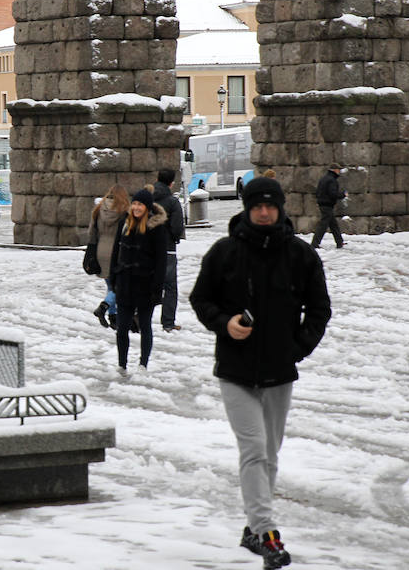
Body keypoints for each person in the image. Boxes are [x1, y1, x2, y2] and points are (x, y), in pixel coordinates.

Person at [189, 177, 331, 570]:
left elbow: (319, 309)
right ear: (246, 209)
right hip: (235, 372)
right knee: (254, 450)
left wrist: (297, 348)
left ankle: (252, 529)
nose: (264, 212)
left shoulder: (301, 256)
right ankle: (268, 534)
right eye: (256, 206)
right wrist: (225, 322)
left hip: (279, 372)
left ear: (280, 207)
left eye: (270, 206)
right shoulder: (225, 253)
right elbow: (201, 299)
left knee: (269, 455)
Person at [108, 188, 167, 372]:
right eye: (134, 203)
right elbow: (115, 253)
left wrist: (157, 288)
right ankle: (122, 364)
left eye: (140, 204)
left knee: (144, 325)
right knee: (122, 326)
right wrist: (113, 277)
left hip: (145, 285)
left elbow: (161, 261)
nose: (136, 207)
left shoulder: (156, 228)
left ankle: (143, 364)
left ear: (147, 207)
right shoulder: (124, 224)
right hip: (125, 283)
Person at [88, 185, 131, 330]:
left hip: (101, 250)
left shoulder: (99, 208)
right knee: (118, 287)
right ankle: (103, 307)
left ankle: (113, 318)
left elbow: (91, 232)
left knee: (111, 285)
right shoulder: (124, 210)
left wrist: (92, 250)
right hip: (116, 252)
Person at [152, 169, 184, 332]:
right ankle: (168, 322)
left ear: (157, 179)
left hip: (148, 249)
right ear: (171, 183)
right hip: (167, 249)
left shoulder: (147, 198)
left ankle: (139, 315)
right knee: (170, 287)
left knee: (147, 283)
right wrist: (172, 236)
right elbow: (177, 227)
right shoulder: (172, 202)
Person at [310, 163, 347, 249]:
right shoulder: (331, 180)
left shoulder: (324, 178)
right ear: (334, 170)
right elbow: (333, 194)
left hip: (323, 203)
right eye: (338, 170)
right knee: (323, 225)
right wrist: (343, 194)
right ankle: (315, 243)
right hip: (327, 204)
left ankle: (339, 242)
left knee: (333, 224)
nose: (339, 172)